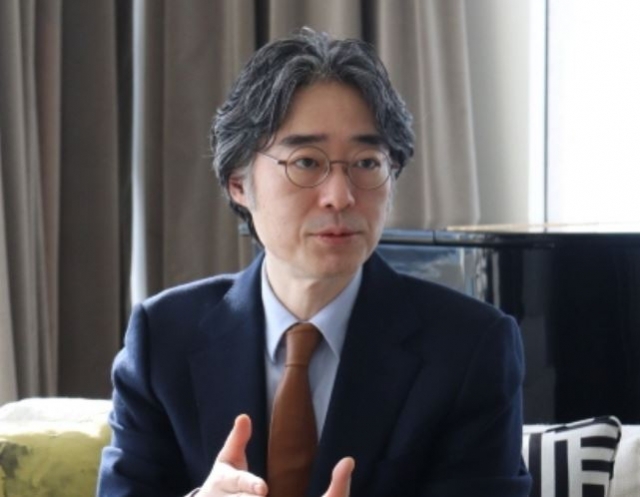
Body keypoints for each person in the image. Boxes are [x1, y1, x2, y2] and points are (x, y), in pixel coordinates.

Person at [97, 28, 531, 497]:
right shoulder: (163, 337)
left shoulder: (469, 348)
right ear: (238, 183)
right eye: (306, 162)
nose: (340, 196)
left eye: (367, 162)